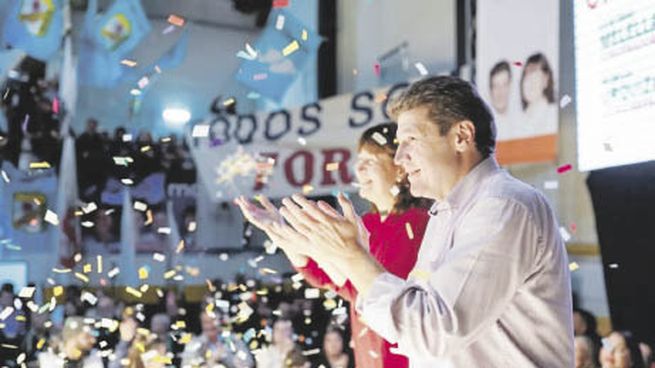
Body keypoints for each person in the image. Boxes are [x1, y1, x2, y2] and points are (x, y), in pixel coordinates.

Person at [268, 76, 574, 366]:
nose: (400, 158)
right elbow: (408, 325)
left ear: (462, 136)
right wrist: (342, 256)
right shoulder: (445, 211)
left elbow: (432, 331)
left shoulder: (502, 205)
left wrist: (353, 257)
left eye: (411, 140)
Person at [236, 122, 430, 368]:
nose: (358, 169)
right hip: (369, 355)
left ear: (400, 168)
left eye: (370, 161)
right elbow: (328, 277)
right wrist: (279, 232)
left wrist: (295, 238)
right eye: (358, 160)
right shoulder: (366, 223)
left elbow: (368, 292)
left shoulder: (417, 223)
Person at [181, 310, 254, 368]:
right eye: (206, 322)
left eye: (213, 321)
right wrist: (212, 360)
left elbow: (248, 363)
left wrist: (226, 357)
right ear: (201, 324)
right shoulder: (194, 344)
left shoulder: (233, 340)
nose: (210, 326)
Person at [517, 52, 557, 138]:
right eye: (526, 76)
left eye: (534, 77)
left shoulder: (553, 116)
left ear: (546, 79)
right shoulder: (519, 122)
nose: (529, 82)